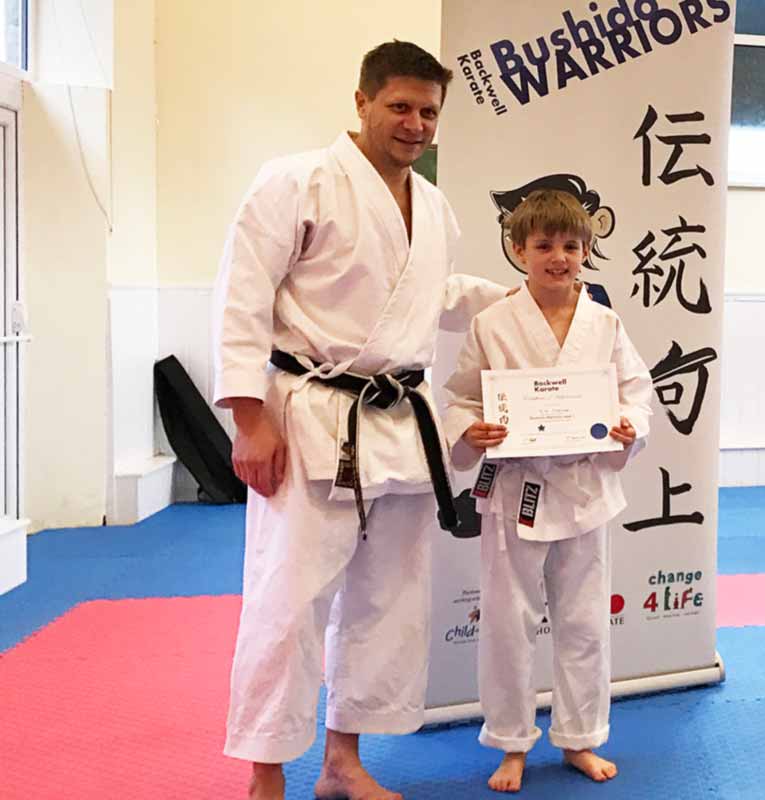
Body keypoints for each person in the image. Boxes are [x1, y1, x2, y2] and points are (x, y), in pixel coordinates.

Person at [213, 41, 506, 800]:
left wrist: (523, 295)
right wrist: (250, 419)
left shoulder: (434, 207)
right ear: (362, 102)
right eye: (400, 107)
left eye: (428, 112)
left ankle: (343, 763)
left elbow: (427, 298)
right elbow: (242, 299)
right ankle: (266, 772)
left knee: (388, 600)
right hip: (307, 415)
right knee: (289, 597)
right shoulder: (295, 181)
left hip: (398, 424)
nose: (414, 124)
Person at [443, 190, 653, 792]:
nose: (557, 257)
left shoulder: (604, 322)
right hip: (517, 490)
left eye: (570, 246)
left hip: (584, 489)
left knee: (585, 622)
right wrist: (469, 428)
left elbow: (636, 391)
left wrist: (627, 425)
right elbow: (459, 397)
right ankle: (510, 742)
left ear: (586, 251)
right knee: (509, 622)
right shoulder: (492, 323)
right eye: (543, 246)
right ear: (518, 251)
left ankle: (580, 738)